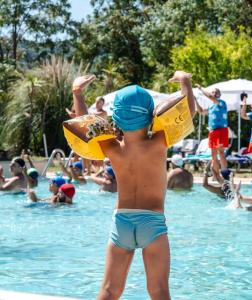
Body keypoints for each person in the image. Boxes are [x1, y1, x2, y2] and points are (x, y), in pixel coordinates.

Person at [70, 71, 196, 299]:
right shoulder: (159, 141)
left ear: (115, 118)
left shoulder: (112, 147)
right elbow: (187, 113)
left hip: (122, 222)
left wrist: (77, 92)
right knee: (158, 290)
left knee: (109, 291)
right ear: (150, 117)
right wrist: (185, 81)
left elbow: (84, 125)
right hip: (152, 222)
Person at [195, 85, 229, 175]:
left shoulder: (222, 103)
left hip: (221, 130)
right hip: (213, 131)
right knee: (213, 155)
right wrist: (195, 100)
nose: (214, 93)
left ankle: (225, 173)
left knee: (221, 152)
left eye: (217, 92)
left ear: (220, 94)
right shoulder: (211, 106)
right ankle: (215, 174)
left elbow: (210, 97)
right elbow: (201, 111)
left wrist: (201, 88)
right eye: (213, 92)